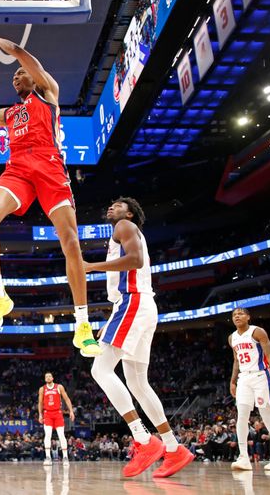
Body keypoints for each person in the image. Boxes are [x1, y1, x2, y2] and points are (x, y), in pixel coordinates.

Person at [0, 33, 100, 357]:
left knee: (71, 241)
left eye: (21, 72)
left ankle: (83, 325)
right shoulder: (10, 114)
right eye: (14, 75)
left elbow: (19, 52)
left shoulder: (48, 93)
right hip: (18, 169)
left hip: (49, 167)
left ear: (35, 76)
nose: (17, 74)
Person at [83, 198, 192, 478]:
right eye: (110, 204)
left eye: (118, 205)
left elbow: (135, 260)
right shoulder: (124, 230)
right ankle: (173, 447)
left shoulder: (124, 225)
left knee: (101, 369)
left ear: (129, 213)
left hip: (132, 302)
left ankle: (142, 439)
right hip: (140, 306)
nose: (111, 207)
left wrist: (91, 267)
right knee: (138, 383)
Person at [228, 307, 270, 471]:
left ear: (248, 317)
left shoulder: (257, 332)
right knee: (241, 416)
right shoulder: (232, 337)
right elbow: (236, 360)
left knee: (267, 416)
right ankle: (243, 457)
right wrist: (233, 381)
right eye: (234, 315)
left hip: (261, 376)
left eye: (240, 314)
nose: (237, 316)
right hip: (244, 378)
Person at [38, 372, 74, 465]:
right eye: (46, 376)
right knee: (48, 435)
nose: (48, 377)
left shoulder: (59, 387)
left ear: (53, 378)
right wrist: (40, 415)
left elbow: (66, 399)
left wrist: (71, 411)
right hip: (47, 414)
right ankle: (48, 457)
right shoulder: (42, 389)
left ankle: (65, 457)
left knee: (61, 435)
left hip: (58, 413)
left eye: (50, 376)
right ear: (45, 379)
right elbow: (40, 403)